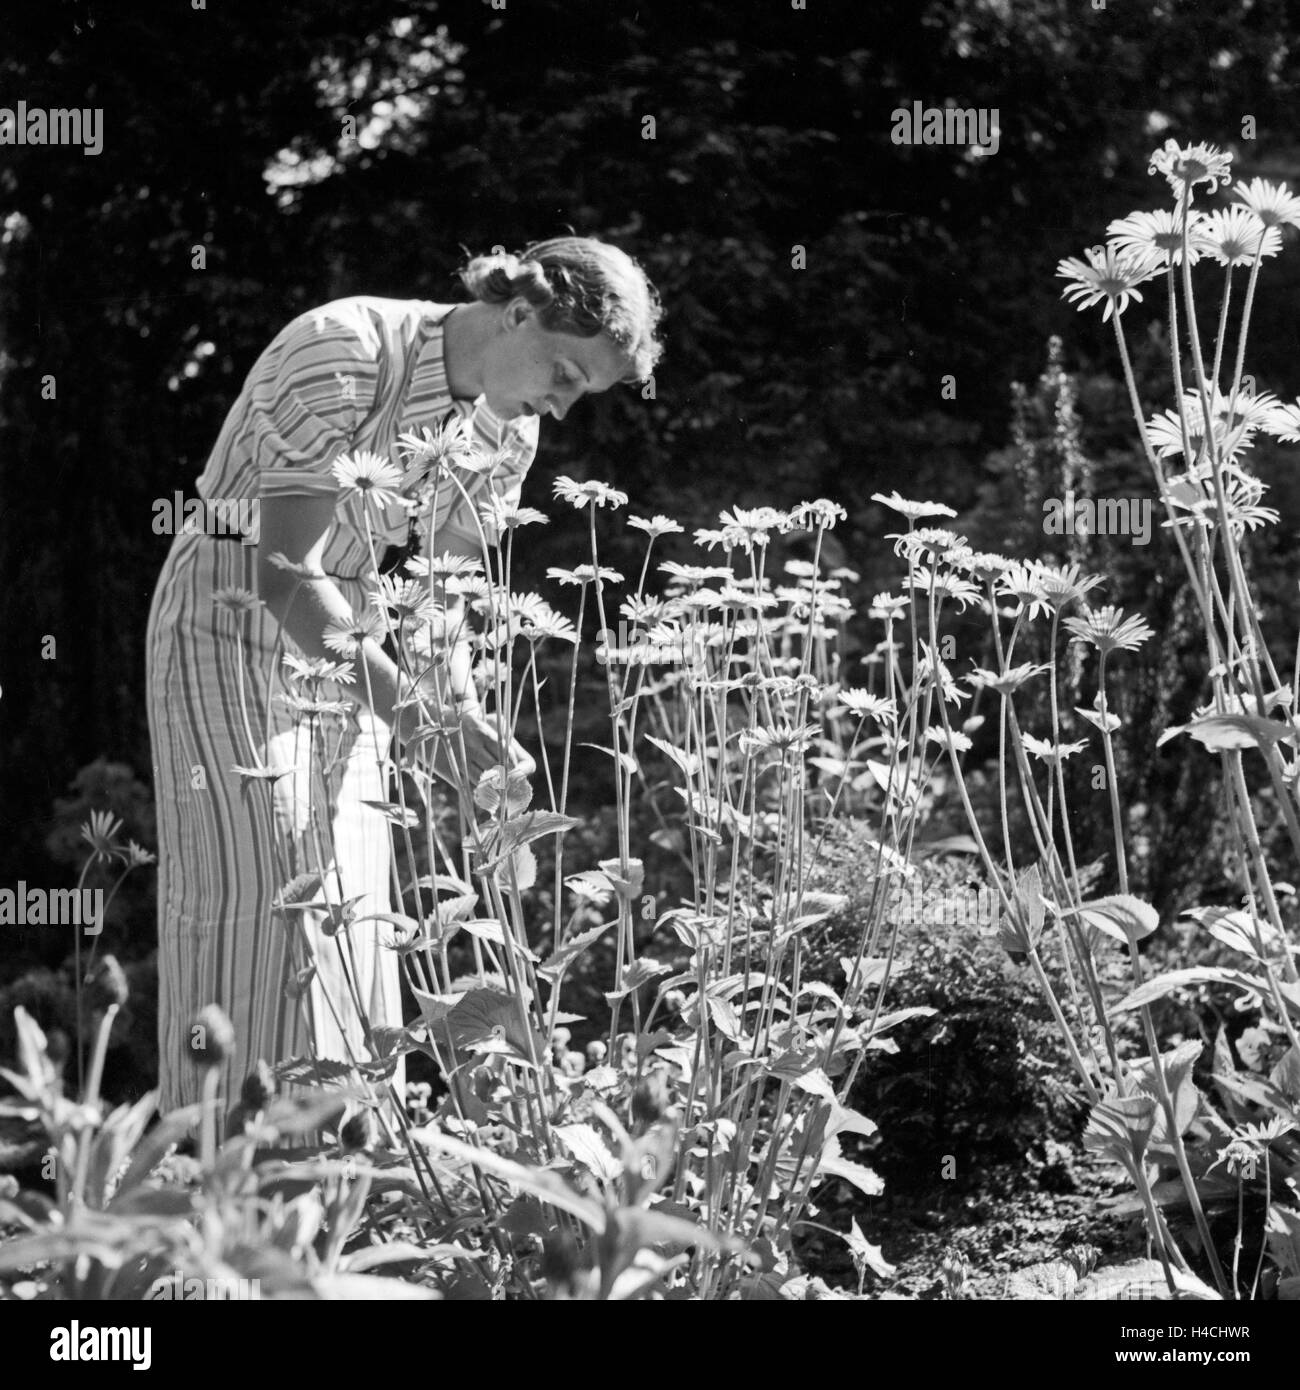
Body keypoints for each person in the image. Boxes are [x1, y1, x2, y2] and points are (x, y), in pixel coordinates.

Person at [145, 236, 663, 1111]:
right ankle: (214, 1188)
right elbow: (283, 574)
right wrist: (415, 713)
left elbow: (440, 593)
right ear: (519, 312)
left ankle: (331, 1188)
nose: (566, 409)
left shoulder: (508, 428)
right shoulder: (343, 348)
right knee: (260, 894)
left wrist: (464, 725)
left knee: (352, 917)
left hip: (354, 655)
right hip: (227, 624)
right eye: (568, 375)